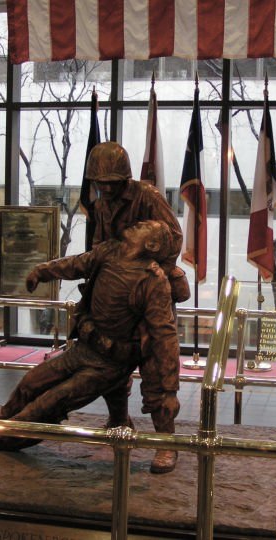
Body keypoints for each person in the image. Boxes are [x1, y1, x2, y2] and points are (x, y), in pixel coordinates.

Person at [0, 220, 180, 473]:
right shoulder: (109, 251)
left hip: (110, 365)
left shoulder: (153, 281)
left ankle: (0, 437)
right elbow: (76, 264)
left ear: (152, 244)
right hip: (84, 349)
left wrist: (170, 388)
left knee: (52, 401)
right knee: (31, 382)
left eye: (146, 226)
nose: (139, 223)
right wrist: (42, 270)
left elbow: (165, 335)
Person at [83, 141, 188, 473]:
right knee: (110, 357)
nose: (105, 188)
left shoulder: (148, 197)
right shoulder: (101, 206)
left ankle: (166, 442)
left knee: (156, 367)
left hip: (146, 294)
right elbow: (99, 246)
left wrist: (148, 271)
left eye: (111, 182)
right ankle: (118, 420)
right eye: (100, 182)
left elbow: (174, 237)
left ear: (124, 178)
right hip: (115, 295)